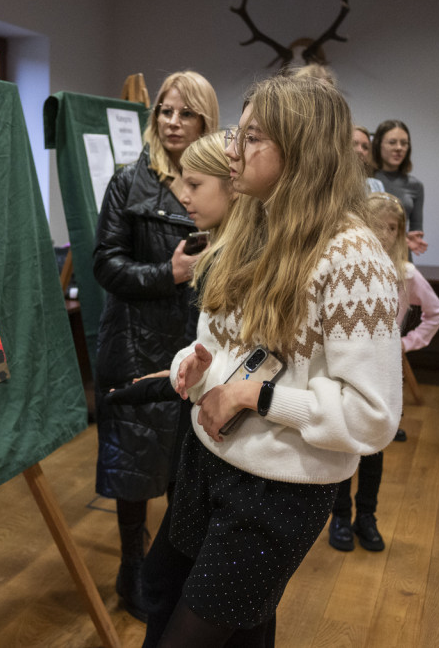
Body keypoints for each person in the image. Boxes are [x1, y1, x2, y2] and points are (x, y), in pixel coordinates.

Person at [154, 75, 402, 647]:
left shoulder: (351, 255)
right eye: (236, 134)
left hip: (277, 492)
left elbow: (373, 415)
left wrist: (259, 396)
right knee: (206, 614)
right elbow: (214, 345)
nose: (232, 150)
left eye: (252, 137)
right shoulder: (249, 225)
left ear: (301, 149)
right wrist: (187, 370)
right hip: (207, 458)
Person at [92, 70, 219, 619]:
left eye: (185, 113)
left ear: (204, 121)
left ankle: (168, 569)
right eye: (165, 111)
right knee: (134, 469)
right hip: (137, 345)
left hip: (198, 347)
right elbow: (105, 265)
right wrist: (167, 273)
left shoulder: (223, 188)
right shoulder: (128, 183)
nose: (172, 121)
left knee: (183, 467)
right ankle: (131, 570)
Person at [328, 192, 439, 554]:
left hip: (383, 370)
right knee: (342, 444)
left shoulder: (404, 273)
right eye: (375, 226)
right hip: (345, 367)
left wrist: (405, 344)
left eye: (391, 228)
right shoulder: (346, 267)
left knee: (374, 448)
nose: (383, 234)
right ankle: (340, 516)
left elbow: (436, 312)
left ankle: (367, 516)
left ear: (400, 233)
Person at [372, 119, 427, 256]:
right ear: (379, 145)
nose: (399, 148)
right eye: (392, 142)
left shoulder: (415, 186)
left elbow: (416, 231)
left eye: (404, 143)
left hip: (401, 257)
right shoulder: (366, 180)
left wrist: (410, 239)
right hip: (370, 254)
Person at [353, 125, 385, 193]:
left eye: (365, 147)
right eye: (354, 144)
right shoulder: (329, 181)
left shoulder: (376, 185)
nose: (360, 150)